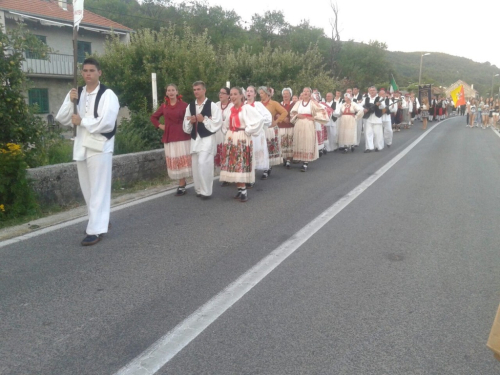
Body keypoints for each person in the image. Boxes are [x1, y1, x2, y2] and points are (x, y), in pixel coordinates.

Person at [55, 58, 119, 246]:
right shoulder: (77, 92)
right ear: (82, 73)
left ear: (100, 73)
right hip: (82, 144)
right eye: (85, 70)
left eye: (92, 70)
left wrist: (82, 121)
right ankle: (98, 220)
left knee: (99, 187)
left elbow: (107, 121)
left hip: (100, 145)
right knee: (88, 188)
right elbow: (63, 118)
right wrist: (70, 101)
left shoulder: (108, 95)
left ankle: (96, 229)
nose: (88, 73)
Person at [219, 87, 264, 202]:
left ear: (241, 96)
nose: (233, 96)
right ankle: (240, 189)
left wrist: (248, 130)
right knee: (233, 163)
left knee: (240, 163)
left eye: (235, 94)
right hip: (231, 137)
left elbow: (259, 120)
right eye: (231, 94)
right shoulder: (231, 109)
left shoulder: (247, 108)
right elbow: (225, 124)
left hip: (242, 137)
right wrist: (227, 132)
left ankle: (243, 190)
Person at [183, 81, 222, 199]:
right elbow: (186, 124)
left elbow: (217, 123)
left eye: (198, 89)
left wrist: (204, 120)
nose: (196, 91)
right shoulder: (190, 106)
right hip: (195, 139)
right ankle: (199, 189)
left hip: (207, 138)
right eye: (194, 89)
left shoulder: (212, 106)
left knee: (204, 163)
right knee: (195, 165)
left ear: (204, 90)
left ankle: (206, 191)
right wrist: (191, 121)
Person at [150, 84, 191, 196]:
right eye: (169, 90)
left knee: (182, 161)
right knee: (175, 161)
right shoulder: (164, 106)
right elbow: (153, 117)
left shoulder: (184, 105)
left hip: (182, 135)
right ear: (166, 93)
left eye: (173, 90)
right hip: (169, 136)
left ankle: (182, 184)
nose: (171, 92)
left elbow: (190, 118)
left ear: (177, 92)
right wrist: (160, 125)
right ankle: (182, 183)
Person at [290, 87, 329, 171]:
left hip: (308, 124)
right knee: (299, 140)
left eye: (307, 91)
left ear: (310, 94)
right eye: (304, 91)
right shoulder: (298, 103)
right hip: (299, 124)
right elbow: (293, 112)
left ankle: (305, 162)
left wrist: (314, 118)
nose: (305, 93)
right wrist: (297, 115)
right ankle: (299, 157)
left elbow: (323, 111)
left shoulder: (313, 103)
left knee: (307, 141)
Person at [258, 86, 288, 179]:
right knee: (262, 148)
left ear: (267, 94)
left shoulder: (274, 103)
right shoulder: (258, 104)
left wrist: (277, 121)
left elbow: (284, 112)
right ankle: (263, 165)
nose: (260, 95)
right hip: (261, 129)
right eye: (260, 93)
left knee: (269, 148)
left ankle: (267, 168)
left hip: (270, 129)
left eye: (262, 93)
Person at [246, 86, 272, 186]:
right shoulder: (243, 105)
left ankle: (251, 179)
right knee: (248, 156)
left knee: (254, 155)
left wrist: (258, 123)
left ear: (255, 94)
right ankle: (248, 177)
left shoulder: (258, 105)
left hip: (256, 135)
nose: (249, 93)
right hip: (247, 134)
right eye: (247, 91)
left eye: (251, 91)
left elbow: (268, 117)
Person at [215, 87, 234, 186]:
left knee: (229, 154)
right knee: (221, 154)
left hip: (227, 133)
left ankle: (231, 175)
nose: (220, 95)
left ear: (228, 95)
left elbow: (230, 120)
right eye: (220, 92)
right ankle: (224, 175)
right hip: (218, 134)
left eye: (223, 93)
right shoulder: (216, 105)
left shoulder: (232, 106)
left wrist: (220, 121)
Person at [362, 86, 385, 152]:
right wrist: (364, 109)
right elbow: (360, 105)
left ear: (376, 91)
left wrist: (379, 104)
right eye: (370, 90)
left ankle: (377, 146)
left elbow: (383, 106)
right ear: (369, 91)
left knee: (377, 133)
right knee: (368, 133)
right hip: (368, 118)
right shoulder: (366, 98)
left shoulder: (379, 98)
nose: (372, 91)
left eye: (373, 90)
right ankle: (368, 147)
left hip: (376, 117)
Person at [278, 88, 295, 168]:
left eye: (287, 94)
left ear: (290, 95)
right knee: (282, 142)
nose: (285, 95)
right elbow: (276, 114)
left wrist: (290, 119)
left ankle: (288, 159)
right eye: (284, 94)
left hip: (290, 126)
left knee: (290, 142)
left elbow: (295, 113)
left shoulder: (294, 104)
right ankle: (284, 158)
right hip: (281, 126)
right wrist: (283, 117)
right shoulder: (279, 104)